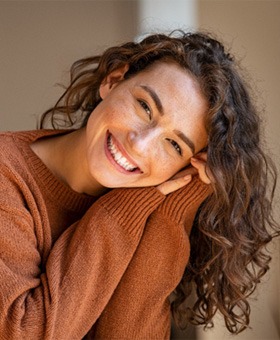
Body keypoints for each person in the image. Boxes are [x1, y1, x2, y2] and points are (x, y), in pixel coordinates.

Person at [0, 30, 278, 339]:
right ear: (113, 80)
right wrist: (121, 211)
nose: (140, 144)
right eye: (145, 107)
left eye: (174, 145)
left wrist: (174, 208)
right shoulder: (5, 173)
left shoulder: (150, 210)